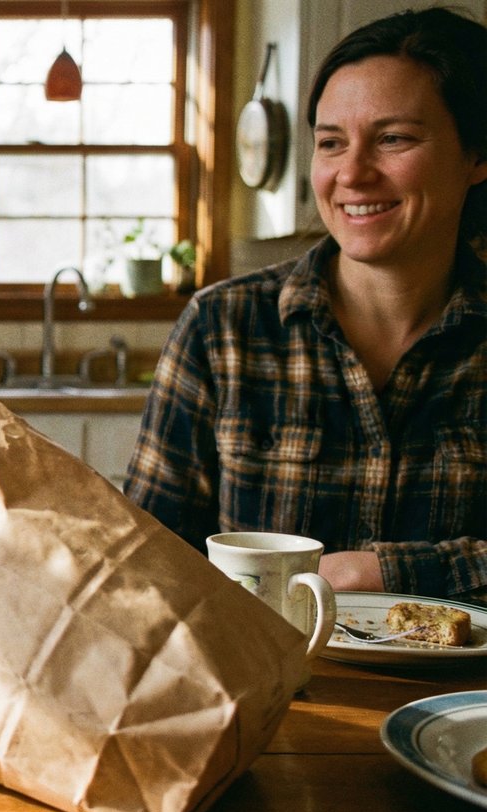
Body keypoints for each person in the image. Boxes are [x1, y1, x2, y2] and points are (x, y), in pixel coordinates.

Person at [126, 8, 487, 604]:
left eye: (393, 138)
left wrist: (380, 573)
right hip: (267, 692)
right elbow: (146, 555)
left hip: (463, 698)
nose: (352, 173)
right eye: (330, 143)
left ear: (476, 157)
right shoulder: (224, 327)